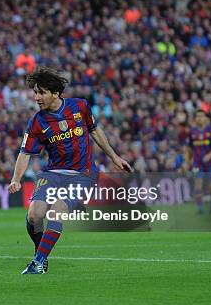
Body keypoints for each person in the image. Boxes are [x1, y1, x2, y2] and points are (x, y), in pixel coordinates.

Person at [8, 67, 132, 274]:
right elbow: (25, 153)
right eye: (35, 93)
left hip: (83, 174)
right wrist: (16, 179)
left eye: (41, 92)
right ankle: (41, 252)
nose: (37, 97)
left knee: (57, 210)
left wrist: (114, 156)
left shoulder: (80, 106)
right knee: (34, 215)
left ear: (55, 93)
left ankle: (38, 262)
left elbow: (94, 130)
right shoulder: (37, 122)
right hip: (53, 173)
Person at [184, 110, 211, 214]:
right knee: (198, 184)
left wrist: (209, 155)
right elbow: (189, 148)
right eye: (197, 116)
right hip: (197, 163)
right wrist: (187, 161)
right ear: (195, 119)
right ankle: (200, 208)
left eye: (201, 116)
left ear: (205, 118)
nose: (199, 118)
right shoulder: (192, 132)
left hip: (210, 163)